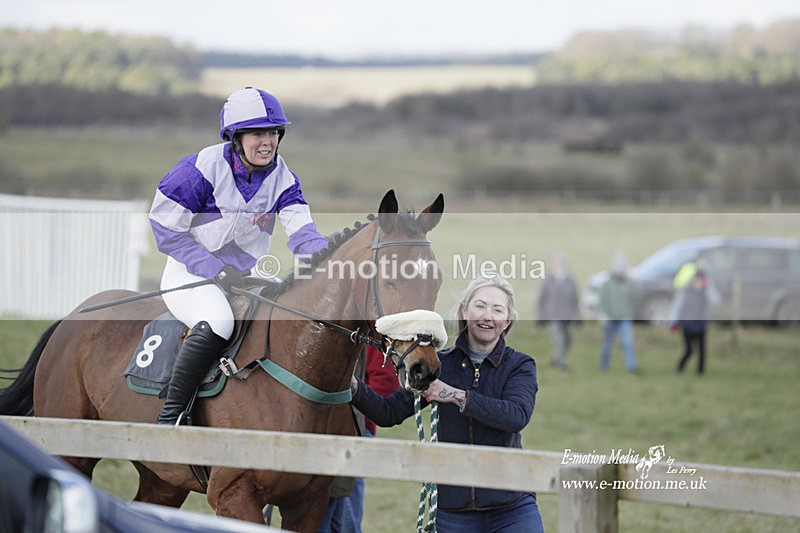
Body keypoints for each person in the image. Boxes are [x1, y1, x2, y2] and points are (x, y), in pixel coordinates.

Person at [149, 87, 329, 425]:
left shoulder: (284, 179)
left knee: (292, 309)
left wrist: (329, 255)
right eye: (257, 133)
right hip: (190, 273)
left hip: (244, 276)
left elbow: (303, 232)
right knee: (219, 322)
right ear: (235, 137)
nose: (267, 142)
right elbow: (165, 228)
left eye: (274, 132)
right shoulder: (197, 170)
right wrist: (214, 270)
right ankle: (172, 415)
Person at [350, 275, 543, 533]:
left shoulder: (520, 365)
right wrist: (350, 385)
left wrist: (455, 395)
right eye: (480, 306)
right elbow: (389, 412)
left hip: (512, 506)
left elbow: (516, 416)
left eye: (498, 309)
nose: (488, 316)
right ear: (465, 311)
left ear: (508, 320)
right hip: (453, 511)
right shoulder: (439, 364)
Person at [319, 344, 400, 533]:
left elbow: (386, 381)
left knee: (345, 509)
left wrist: (359, 410)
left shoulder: (368, 336)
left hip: (355, 429)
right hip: (329, 430)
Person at [670, 260, 720, 375]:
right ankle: (679, 368)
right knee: (689, 350)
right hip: (687, 324)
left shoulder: (705, 291)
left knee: (702, 351)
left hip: (701, 324)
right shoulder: (685, 292)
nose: (698, 283)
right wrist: (673, 322)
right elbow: (676, 306)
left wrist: (709, 286)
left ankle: (700, 373)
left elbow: (717, 301)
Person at [536, 251, 581, 370]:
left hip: (567, 316)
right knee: (560, 340)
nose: (560, 265)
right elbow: (542, 299)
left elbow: (575, 300)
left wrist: (577, 316)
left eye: (562, 262)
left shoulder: (570, 280)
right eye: (558, 262)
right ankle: (561, 363)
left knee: (568, 341)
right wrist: (540, 317)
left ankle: (556, 359)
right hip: (553, 316)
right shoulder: (548, 280)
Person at [598, 252, 640, 374]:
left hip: (624, 318)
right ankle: (604, 365)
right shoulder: (607, 284)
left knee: (627, 343)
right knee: (607, 344)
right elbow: (602, 302)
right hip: (610, 319)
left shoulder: (630, 283)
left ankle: (631, 366)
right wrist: (603, 315)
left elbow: (636, 296)